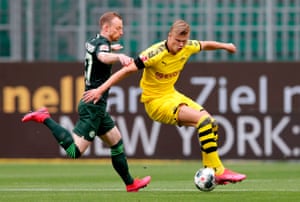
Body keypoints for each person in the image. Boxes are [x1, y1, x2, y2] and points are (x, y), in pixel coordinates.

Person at [82, 19, 246, 185]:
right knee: (203, 121)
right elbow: (126, 70)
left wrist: (226, 46)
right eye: (177, 41)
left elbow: (205, 44)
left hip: (172, 95)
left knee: (211, 123)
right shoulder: (154, 53)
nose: (181, 45)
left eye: (184, 41)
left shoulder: (188, 46)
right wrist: (100, 89)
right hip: (156, 102)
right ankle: (217, 171)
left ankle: (212, 170)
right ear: (169, 36)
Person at [21, 11, 151, 192]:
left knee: (116, 141)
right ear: (106, 28)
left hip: (96, 104)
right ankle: (45, 118)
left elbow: (95, 50)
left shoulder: (94, 41)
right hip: (94, 104)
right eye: (118, 28)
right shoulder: (102, 47)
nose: (121, 32)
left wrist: (111, 50)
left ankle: (130, 183)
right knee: (74, 152)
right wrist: (118, 56)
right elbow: (102, 57)